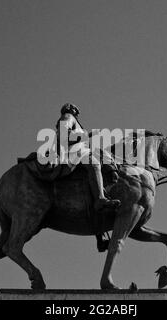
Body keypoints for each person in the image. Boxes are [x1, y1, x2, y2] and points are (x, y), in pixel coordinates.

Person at [56, 103, 120, 252]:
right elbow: (62, 137)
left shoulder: (74, 120)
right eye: (75, 110)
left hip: (79, 151)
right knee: (94, 164)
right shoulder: (67, 117)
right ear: (71, 109)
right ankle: (100, 199)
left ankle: (100, 234)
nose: (77, 112)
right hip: (71, 153)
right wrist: (84, 135)